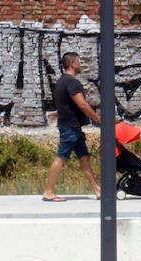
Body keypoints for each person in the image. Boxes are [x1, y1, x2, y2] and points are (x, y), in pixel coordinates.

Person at [42, 51, 102, 202]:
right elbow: (81, 104)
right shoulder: (71, 82)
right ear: (72, 63)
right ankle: (49, 192)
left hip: (74, 127)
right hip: (70, 128)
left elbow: (64, 105)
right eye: (79, 62)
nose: (80, 64)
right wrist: (97, 119)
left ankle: (97, 189)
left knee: (84, 157)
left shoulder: (62, 81)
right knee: (61, 157)